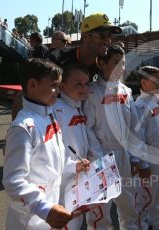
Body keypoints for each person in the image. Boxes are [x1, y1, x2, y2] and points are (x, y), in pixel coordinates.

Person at [84, 45, 150, 230]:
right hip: (102, 156)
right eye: (116, 63)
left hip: (125, 156)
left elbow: (134, 128)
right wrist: (100, 160)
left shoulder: (126, 91)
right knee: (100, 210)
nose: (122, 67)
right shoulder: (91, 92)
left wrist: (138, 159)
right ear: (102, 63)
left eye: (123, 63)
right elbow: (87, 129)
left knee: (129, 205)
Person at [2, 58, 72, 229]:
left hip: (49, 206)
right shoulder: (23, 127)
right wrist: (44, 208)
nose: (58, 91)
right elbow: (13, 181)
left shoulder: (49, 114)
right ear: (32, 85)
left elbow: (52, 160)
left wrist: (74, 166)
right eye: (54, 85)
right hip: (29, 219)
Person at [134, 66, 159, 230]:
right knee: (145, 195)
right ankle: (141, 225)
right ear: (144, 83)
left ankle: (155, 223)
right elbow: (138, 140)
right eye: (156, 80)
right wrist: (142, 164)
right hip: (149, 160)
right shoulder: (140, 106)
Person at [53, 63, 91, 229]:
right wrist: (72, 166)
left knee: (77, 221)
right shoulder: (55, 110)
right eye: (78, 83)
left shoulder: (78, 107)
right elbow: (50, 153)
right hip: (62, 181)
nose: (84, 88)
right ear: (62, 86)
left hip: (79, 175)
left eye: (86, 83)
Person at [49, 13, 122, 82]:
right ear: (85, 36)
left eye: (110, 36)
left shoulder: (106, 64)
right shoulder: (57, 59)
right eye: (102, 36)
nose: (107, 41)